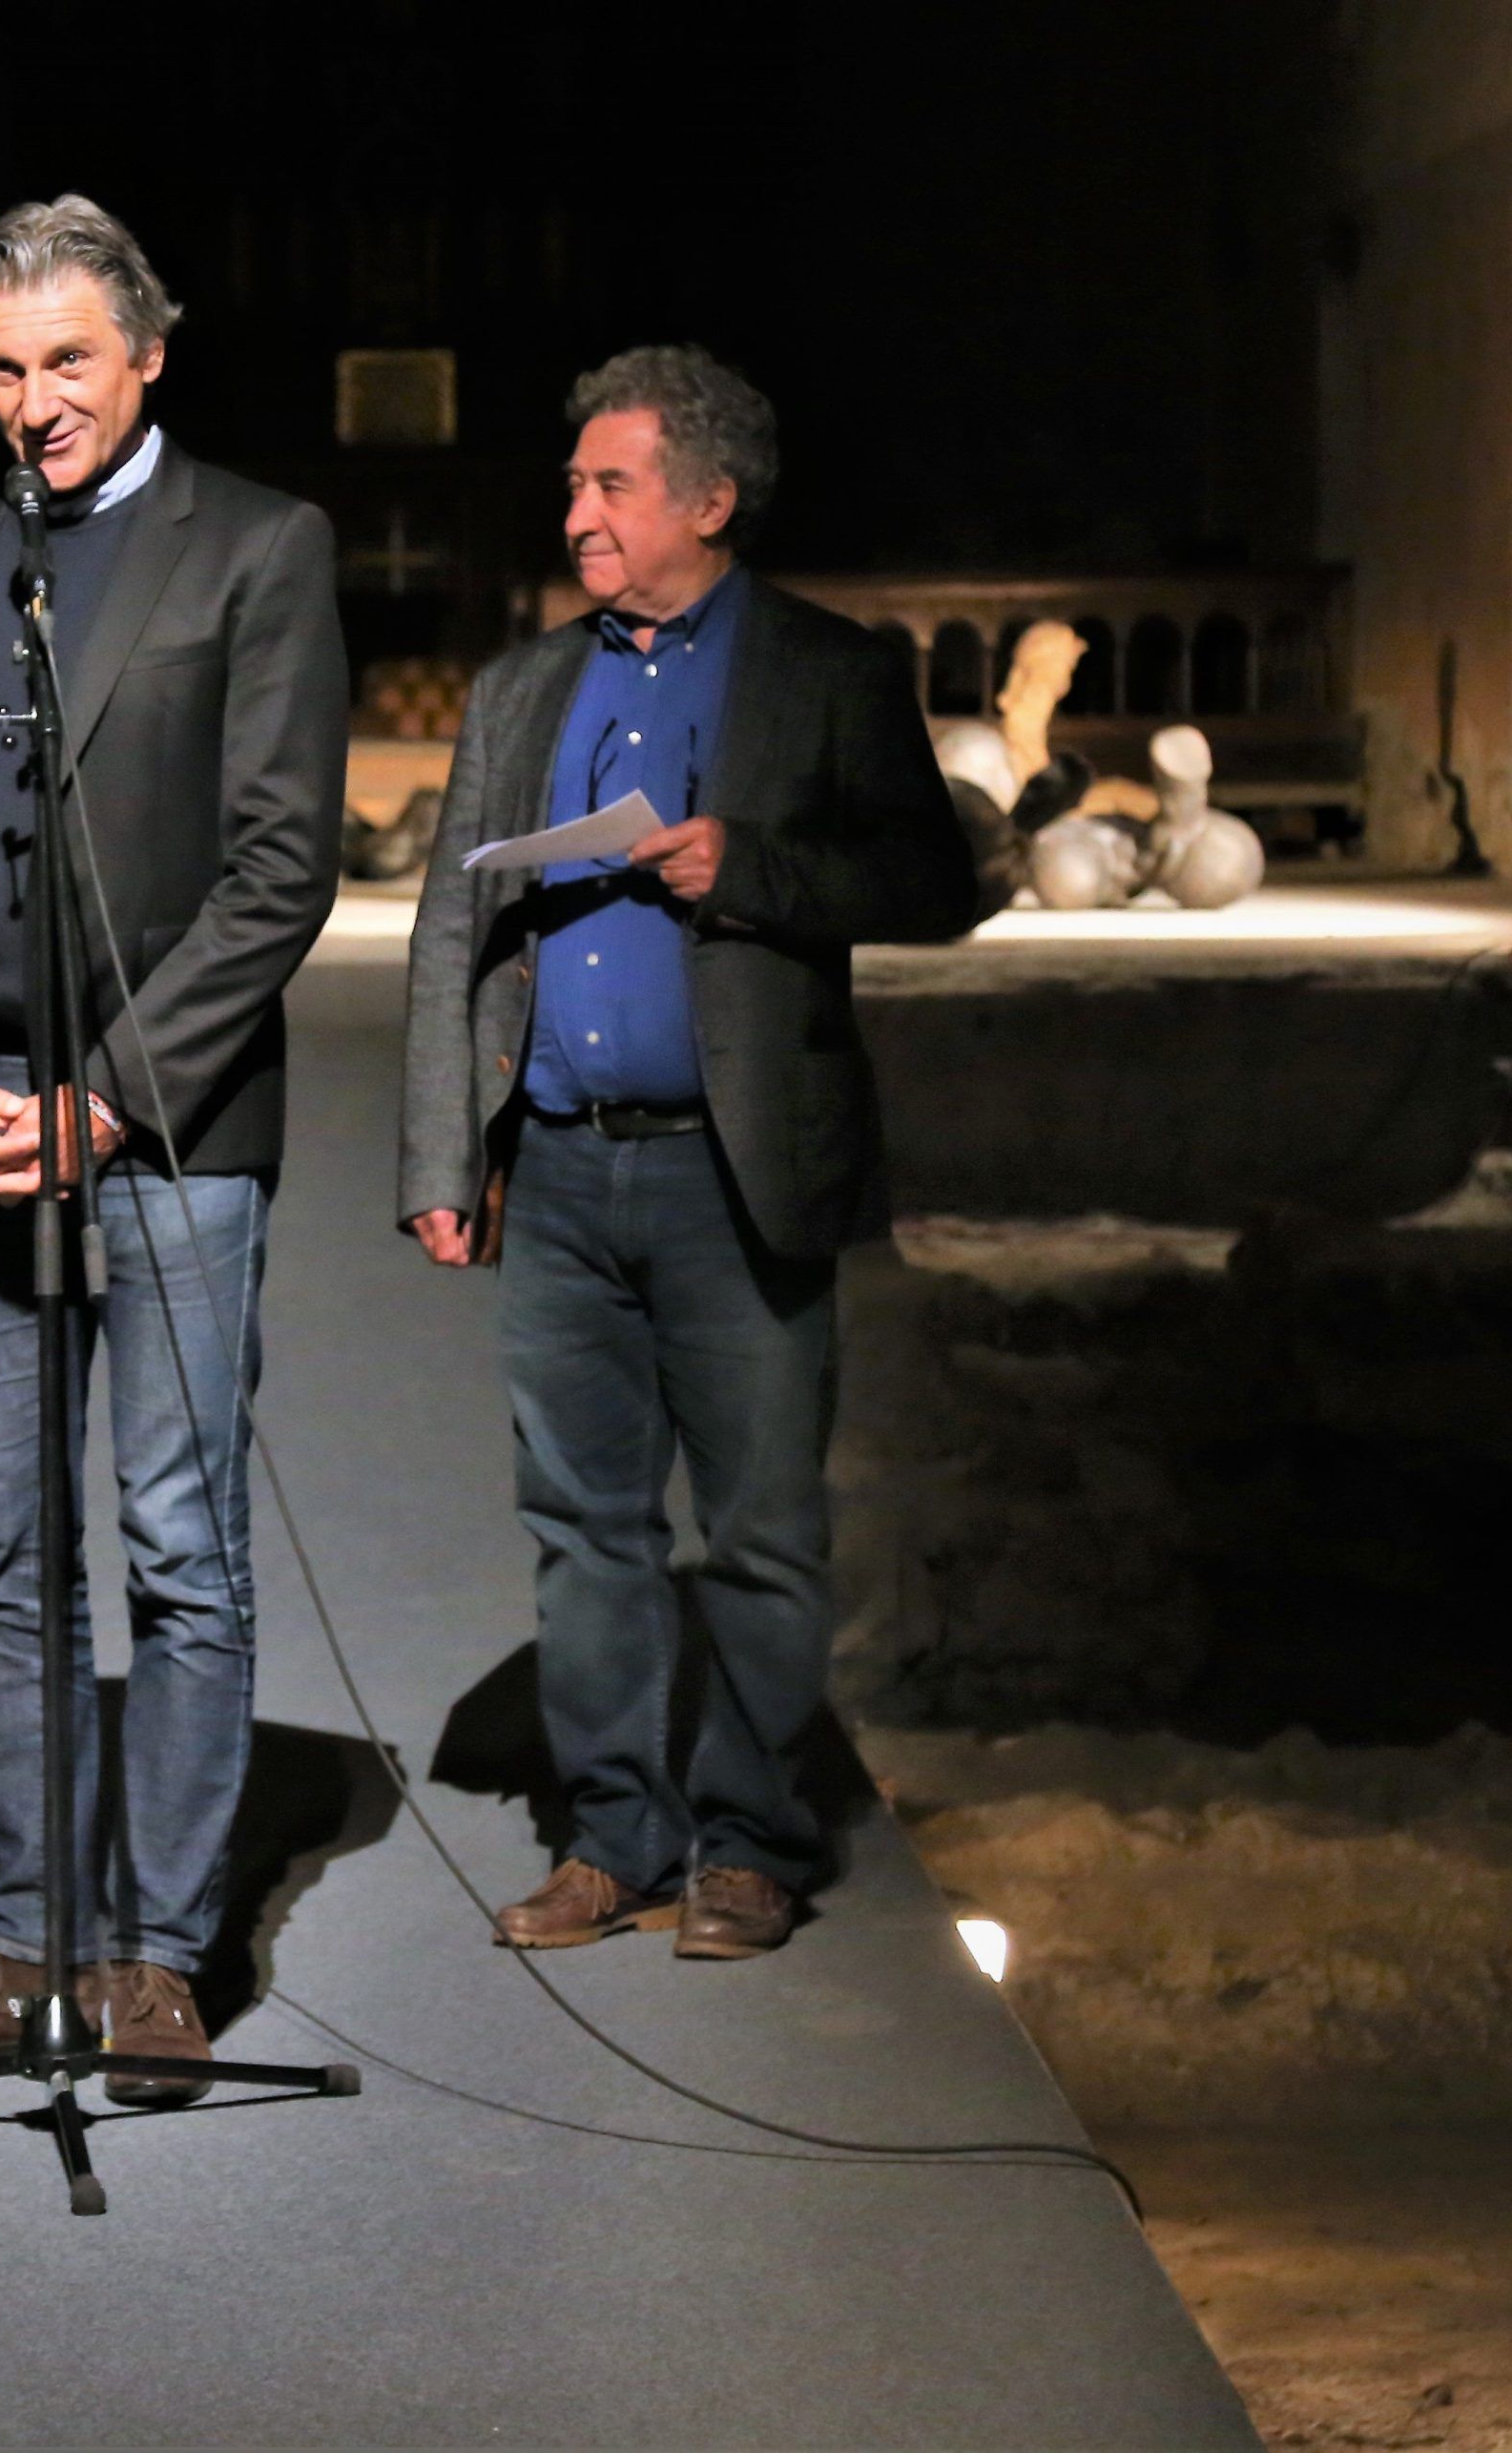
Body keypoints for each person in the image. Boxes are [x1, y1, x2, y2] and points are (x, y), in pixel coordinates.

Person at [0, 197, 349, 2099]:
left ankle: (158, 1955)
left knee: (179, 1547)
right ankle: (20, 1933)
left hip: (168, 1135)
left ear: (147, 350)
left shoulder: (264, 544)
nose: (32, 400)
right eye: (1, 365)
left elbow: (285, 864)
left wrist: (108, 1095)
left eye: (65, 359)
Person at [398, 347, 977, 1961]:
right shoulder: (522, 687)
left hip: (741, 1169)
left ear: (708, 502)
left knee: (762, 1528)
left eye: (612, 486)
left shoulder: (822, 672)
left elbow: (936, 877)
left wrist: (753, 867)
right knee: (583, 1525)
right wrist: (443, 1158)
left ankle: (747, 1842)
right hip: (565, 1173)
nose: (576, 512)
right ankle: (611, 1840)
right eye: (576, 484)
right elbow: (455, 921)